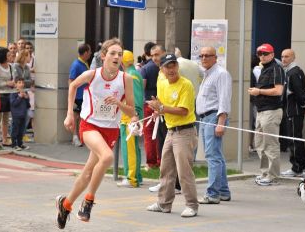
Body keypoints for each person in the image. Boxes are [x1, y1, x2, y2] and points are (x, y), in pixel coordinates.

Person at [55, 38, 137, 229]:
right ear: (104, 56)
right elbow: (73, 85)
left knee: (87, 173)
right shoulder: (93, 74)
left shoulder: (126, 79)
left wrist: (118, 104)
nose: (117, 57)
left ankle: (65, 204)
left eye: (119, 53)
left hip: (110, 130)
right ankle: (88, 201)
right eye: (113, 53)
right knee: (107, 157)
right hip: (90, 125)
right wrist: (69, 115)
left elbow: (132, 111)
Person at [146, 54, 199, 218]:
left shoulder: (186, 85)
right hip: (171, 130)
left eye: (174, 65)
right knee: (166, 169)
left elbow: (184, 111)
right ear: (161, 69)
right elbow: (161, 104)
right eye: (167, 66)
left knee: (184, 171)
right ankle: (164, 204)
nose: (171, 69)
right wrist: (157, 111)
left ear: (178, 66)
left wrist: (162, 108)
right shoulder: (161, 83)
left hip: (185, 131)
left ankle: (192, 205)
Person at [196, 46, 232, 203]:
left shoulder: (221, 74)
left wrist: (221, 122)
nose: (204, 58)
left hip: (213, 118)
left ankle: (213, 194)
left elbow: (224, 99)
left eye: (207, 55)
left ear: (215, 58)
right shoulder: (208, 73)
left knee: (212, 156)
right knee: (216, 155)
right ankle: (223, 191)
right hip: (205, 118)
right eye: (201, 55)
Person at [248, 43, 284, 186]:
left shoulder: (276, 68)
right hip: (262, 110)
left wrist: (259, 92)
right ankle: (264, 173)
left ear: (272, 54)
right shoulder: (264, 68)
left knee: (271, 144)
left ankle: (273, 176)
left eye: (265, 53)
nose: (262, 56)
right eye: (260, 54)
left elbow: (278, 91)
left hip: (271, 111)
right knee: (260, 144)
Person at [279, 49, 305, 177]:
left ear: (293, 58)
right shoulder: (294, 71)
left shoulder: (293, 72)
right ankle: (303, 166)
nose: (283, 59)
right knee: (296, 138)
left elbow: (299, 92)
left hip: (294, 111)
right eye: (282, 56)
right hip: (294, 110)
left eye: (286, 56)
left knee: (293, 139)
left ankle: (297, 168)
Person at [117, 50, 144, 188]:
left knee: (129, 149)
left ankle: (131, 178)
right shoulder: (135, 74)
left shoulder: (131, 76)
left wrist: (135, 115)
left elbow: (136, 98)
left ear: (122, 63)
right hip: (130, 116)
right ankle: (136, 176)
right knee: (133, 148)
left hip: (129, 118)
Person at [68, 43, 92, 147]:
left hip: (84, 96)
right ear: (86, 52)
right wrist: (72, 99)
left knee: (83, 117)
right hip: (78, 96)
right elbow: (71, 81)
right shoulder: (76, 64)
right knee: (76, 117)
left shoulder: (85, 63)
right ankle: (75, 137)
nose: (90, 53)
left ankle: (82, 136)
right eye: (89, 51)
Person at [0, 47, 15, 147]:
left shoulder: (11, 67)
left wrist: (14, 83)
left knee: (6, 119)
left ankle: (5, 139)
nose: (10, 56)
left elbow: (14, 78)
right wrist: (6, 83)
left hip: (8, 95)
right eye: (8, 55)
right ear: (3, 56)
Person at [10, 77, 30, 151]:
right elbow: (13, 103)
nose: (21, 84)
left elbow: (28, 105)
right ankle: (14, 144)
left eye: (22, 82)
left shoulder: (25, 91)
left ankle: (20, 143)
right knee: (15, 129)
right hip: (16, 114)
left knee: (21, 130)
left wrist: (26, 98)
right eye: (19, 82)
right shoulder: (13, 93)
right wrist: (19, 97)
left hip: (23, 114)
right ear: (15, 84)